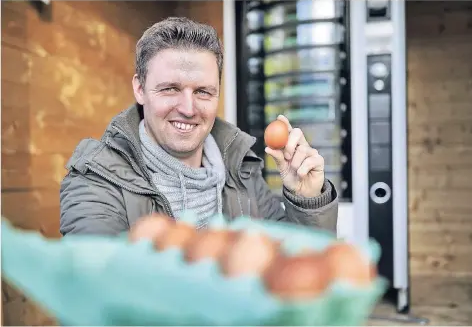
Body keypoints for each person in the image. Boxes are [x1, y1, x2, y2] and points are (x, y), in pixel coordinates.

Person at [59, 17, 339, 236]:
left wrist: (307, 200)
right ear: (140, 88)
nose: (188, 108)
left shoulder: (241, 170)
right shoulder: (97, 180)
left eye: (203, 92)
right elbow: (99, 290)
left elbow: (294, 273)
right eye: (170, 88)